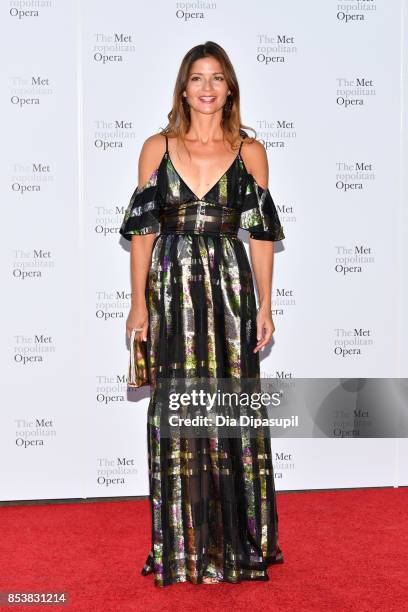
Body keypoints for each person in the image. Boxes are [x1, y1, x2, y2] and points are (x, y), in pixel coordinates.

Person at [119, 41, 285, 587]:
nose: (208, 87)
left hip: (231, 290)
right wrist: (138, 301)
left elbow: (260, 236)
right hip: (172, 287)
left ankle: (240, 539)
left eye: (217, 77)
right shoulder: (156, 148)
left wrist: (266, 303)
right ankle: (182, 543)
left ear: (230, 87)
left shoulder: (250, 152)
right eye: (197, 77)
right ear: (183, 88)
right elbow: (144, 232)